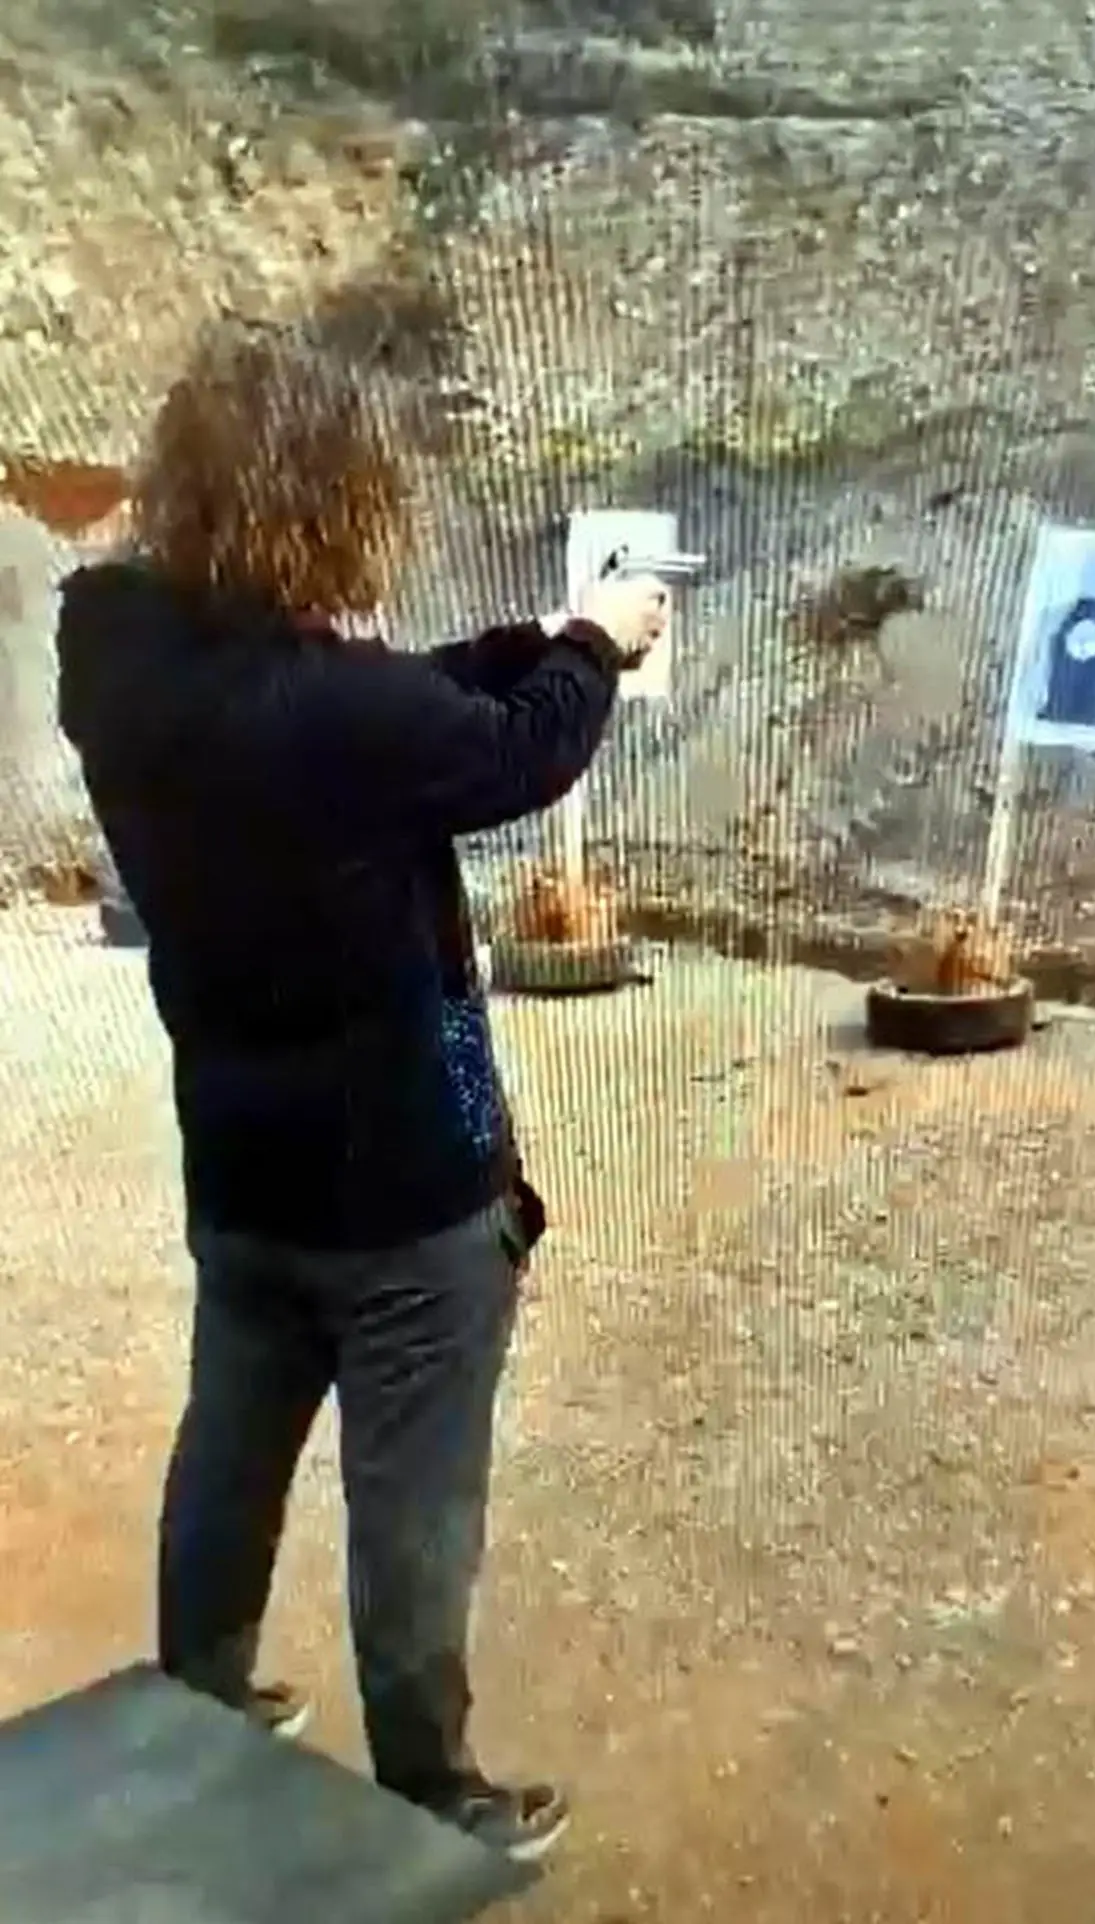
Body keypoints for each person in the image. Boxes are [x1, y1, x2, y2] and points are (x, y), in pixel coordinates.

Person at [53, 320, 669, 1864]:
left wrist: (531, 639)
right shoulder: (337, 717)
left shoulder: (114, 654)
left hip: (240, 1162)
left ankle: (198, 1696)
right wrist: (598, 649)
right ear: (321, 508)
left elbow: (392, 708)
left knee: (232, 1445)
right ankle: (435, 1793)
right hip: (412, 1178)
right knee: (416, 1498)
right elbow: (511, 760)